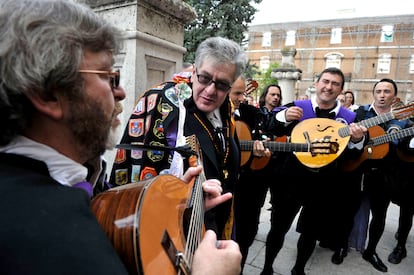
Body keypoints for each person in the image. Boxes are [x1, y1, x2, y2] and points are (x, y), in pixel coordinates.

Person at [0, 1, 242, 274]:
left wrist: (176, 207)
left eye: (222, 85)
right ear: (48, 94)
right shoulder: (64, 249)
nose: (123, 93)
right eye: (109, 77)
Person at [110, 36, 247, 239]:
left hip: (214, 228)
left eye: (221, 85)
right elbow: (136, 177)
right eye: (204, 78)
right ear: (194, 71)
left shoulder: (227, 110)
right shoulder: (160, 102)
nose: (210, 91)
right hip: (170, 235)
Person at [260, 67, 367, 275]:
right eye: (325, 81)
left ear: (341, 90)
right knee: (278, 229)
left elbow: (352, 157)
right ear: (317, 83)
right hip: (289, 181)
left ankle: (298, 269)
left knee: (310, 233)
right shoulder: (298, 107)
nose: (329, 87)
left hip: (324, 185)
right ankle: (266, 268)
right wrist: (284, 117)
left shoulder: (349, 118)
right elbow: (270, 128)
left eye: (335, 84)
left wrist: (357, 140)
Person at [353, 78, 414, 272]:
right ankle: (341, 247)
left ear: (394, 96)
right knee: (349, 211)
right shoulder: (361, 113)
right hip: (358, 172)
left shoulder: (403, 119)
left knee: (379, 217)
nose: (382, 95)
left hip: (386, 177)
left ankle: (370, 251)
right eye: (378, 91)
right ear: (373, 93)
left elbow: (406, 148)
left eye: (386, 91)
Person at [232, 82, 284, 272]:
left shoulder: (253, 114)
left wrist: (260, 146)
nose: (241, 98)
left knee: (245, 236)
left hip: (250, 188)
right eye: (236, 93)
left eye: (242, 93)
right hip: (219, 190)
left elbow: (268, 129)